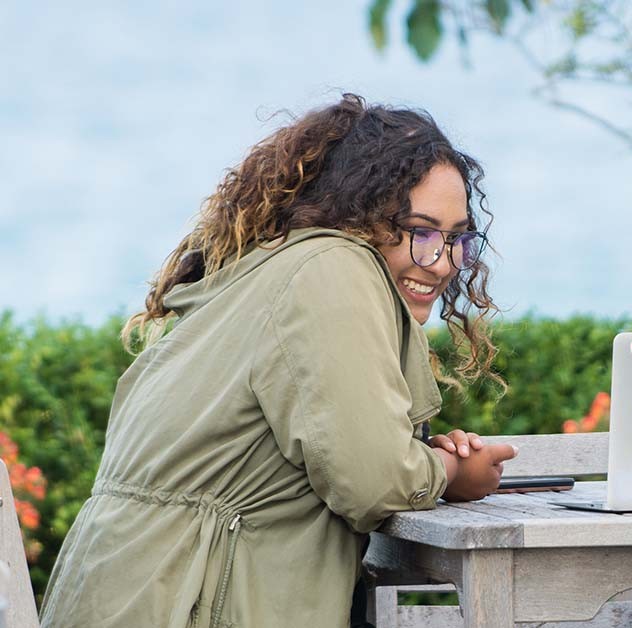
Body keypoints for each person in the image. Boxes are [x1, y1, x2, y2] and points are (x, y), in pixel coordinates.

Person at [39, 94, 517, 628]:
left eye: (457, 239)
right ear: (355, 212)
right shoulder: (332, 268)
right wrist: (452, 472)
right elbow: (373, 481)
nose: (442, 263)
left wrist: (418, 454)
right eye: (420, 231)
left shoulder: (263, 272)